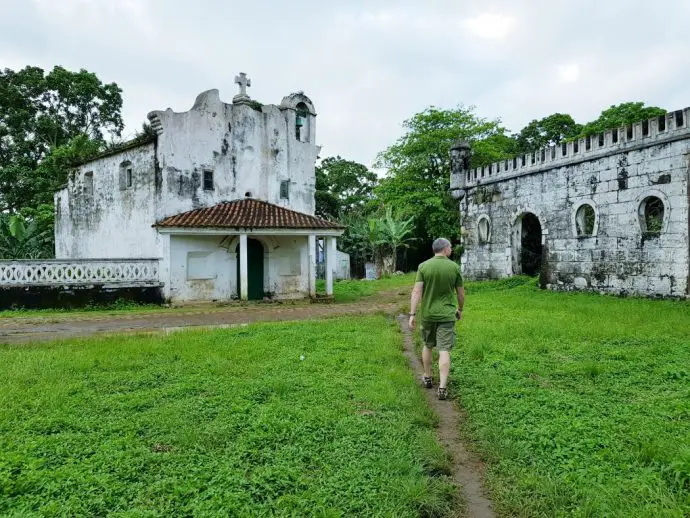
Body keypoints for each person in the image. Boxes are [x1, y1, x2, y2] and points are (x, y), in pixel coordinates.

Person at [409, 238, 464, 400]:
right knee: (444, 349)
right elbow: (460, 293)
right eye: (450, 247)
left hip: (428, 315)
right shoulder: (454, 267)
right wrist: (460, 309)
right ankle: (442, 387)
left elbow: (416, 292)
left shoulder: (424, 266)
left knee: (428, 345)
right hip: (447, 315)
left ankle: (427, 377)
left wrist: (412, 314)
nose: (452, 249)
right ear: (445, 249)